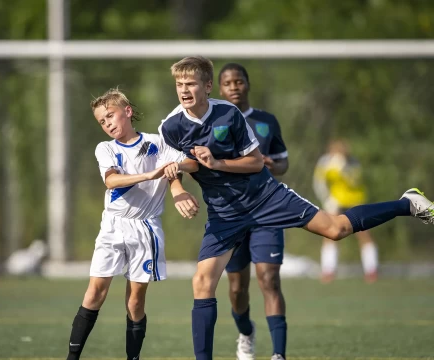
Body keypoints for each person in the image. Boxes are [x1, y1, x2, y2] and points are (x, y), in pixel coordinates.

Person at [159, 56, 434, 360]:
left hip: (265, 196)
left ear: (207, 86)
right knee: (202, 282)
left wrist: (216, 162)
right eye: (179, 84)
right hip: (225, 213)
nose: (184, 90)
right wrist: (178, 189)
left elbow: (253, 162)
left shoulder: (229, 113)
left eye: (191, 84)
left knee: (336, 229)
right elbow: (173, 168)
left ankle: (406, 203)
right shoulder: (170, 126)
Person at [65, 88, 199, 360]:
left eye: (111, 116)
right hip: (113, 226)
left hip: (145, 228)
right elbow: (111, 180)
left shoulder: (157, 142)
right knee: (94, 293)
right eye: (102, 121)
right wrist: (150, 174)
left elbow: (186, 165)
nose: (108, 124)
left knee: (136, 301)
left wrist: (177, 185)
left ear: (127, 112)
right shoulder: (106, 148)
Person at [218, 63, 289, 360]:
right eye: (228, 83)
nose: (234, 86)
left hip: (267, 211)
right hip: (231, 215)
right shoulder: (215, 121)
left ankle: (278, 354)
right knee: (237, 289)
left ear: (247, 84)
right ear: (219, 89)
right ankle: (246, 332)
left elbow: (284, 164)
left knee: (269, 279)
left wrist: (274, 164)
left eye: (239, 81)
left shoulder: (266, 121)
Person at [313, 140, 378, 283]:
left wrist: (343, 169)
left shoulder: (353, 162)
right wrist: (327, 198)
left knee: (364, 234)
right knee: (330, 233)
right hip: (336, 201)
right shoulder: (325, 162)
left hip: (355, 200)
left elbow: (355, 182)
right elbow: (319, 182)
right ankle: (328, 270)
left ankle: (371, 270)